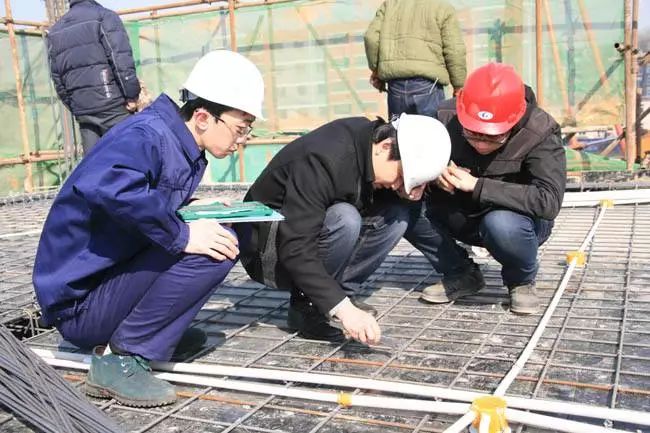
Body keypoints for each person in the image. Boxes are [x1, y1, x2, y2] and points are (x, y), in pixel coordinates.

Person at [33, 50, 264, 407]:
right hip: (79, 306)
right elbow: (112, 188)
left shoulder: (177, 141)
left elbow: (139, 199)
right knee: (216, 247)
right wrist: (182, 233)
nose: (243, 139)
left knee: (220, 228)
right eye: (240, 127)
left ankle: (155, 334)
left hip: (104, 282)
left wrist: (189, 206)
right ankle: (121, 358)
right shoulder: (147, 136)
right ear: (203, 117)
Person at [237, 114, 451, 344]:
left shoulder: (366, 145)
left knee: (397, 214)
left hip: (301, 237)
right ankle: (307, 306)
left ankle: (336, 295)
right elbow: (296, 247)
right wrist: (345, 311)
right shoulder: (323, 159)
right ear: (385, 146)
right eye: (400, 177)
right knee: (345, 218)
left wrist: (406, 194)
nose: (396, 185)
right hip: (267, 252)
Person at [404, 63, 566, 315]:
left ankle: (520, 281)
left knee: (501, 223)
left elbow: (548, 201)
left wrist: (478, 185)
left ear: (515, 121)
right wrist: (435, 174)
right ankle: (460, 272)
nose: (481, 144)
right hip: (461, 213)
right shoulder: (443, 118)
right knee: (402, 208)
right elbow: (409, 168)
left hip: (518, 224)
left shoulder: (540, 130)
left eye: (493, 137)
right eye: (472, 134)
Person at [46, 0, 141, 153]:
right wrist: (131, 95)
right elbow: (120, 58)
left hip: (84, 112)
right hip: (113, 107)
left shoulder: (55, 31)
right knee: (131, 158)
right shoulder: (104, 16)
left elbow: (57, 77)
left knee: (94, 163)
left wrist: (75, 106)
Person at [364, 0, 467, 118]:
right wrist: (458, 86)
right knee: (430, 129)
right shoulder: (442, 7)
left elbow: (371, 38)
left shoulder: (389, 5)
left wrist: (375, 69)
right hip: (428, 85)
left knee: (399, 129)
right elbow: (454, 50)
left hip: (396, 86)